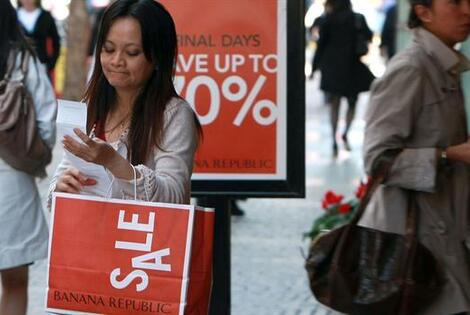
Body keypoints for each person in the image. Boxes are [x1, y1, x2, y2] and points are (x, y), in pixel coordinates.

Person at [360, 0, 470, 314]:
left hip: (445, 238)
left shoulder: (444, 66)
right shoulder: (412, 68)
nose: (467, 11)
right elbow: (377, 159)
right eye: (454, 2)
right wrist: (449, 155)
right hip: (417, 250)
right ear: (423, 12)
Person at [48, 0, 201, 206]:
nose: (116, 61)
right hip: (88, 234)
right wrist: (62, 186)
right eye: (109, 49)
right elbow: (64, 171)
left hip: (139, 236)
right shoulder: (92, 104)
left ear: (157, 57)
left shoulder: (173, 114)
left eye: (132, 53)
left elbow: (175, 196)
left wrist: (114, 162)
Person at [0, 0, 57, 314]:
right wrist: (33, 155)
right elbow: (46, 118)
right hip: (13, 178)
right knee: (15, 280)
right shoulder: (23, 59)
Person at [311, 0, 374, 157]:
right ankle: (345, 132)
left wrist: (313, 68)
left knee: (334, 105)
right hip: (352, 67)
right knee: (352, 104)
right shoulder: (357, 18)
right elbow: (369, 36)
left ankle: (334, 138)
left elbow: (321, 45)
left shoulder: (327, 20)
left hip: (332, 69)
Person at [17, 0, 61, 80]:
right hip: (17, 68)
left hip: (41, 67)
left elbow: (56, 43)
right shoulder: (13, 16)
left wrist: (50, 64)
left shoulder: (46, 16)